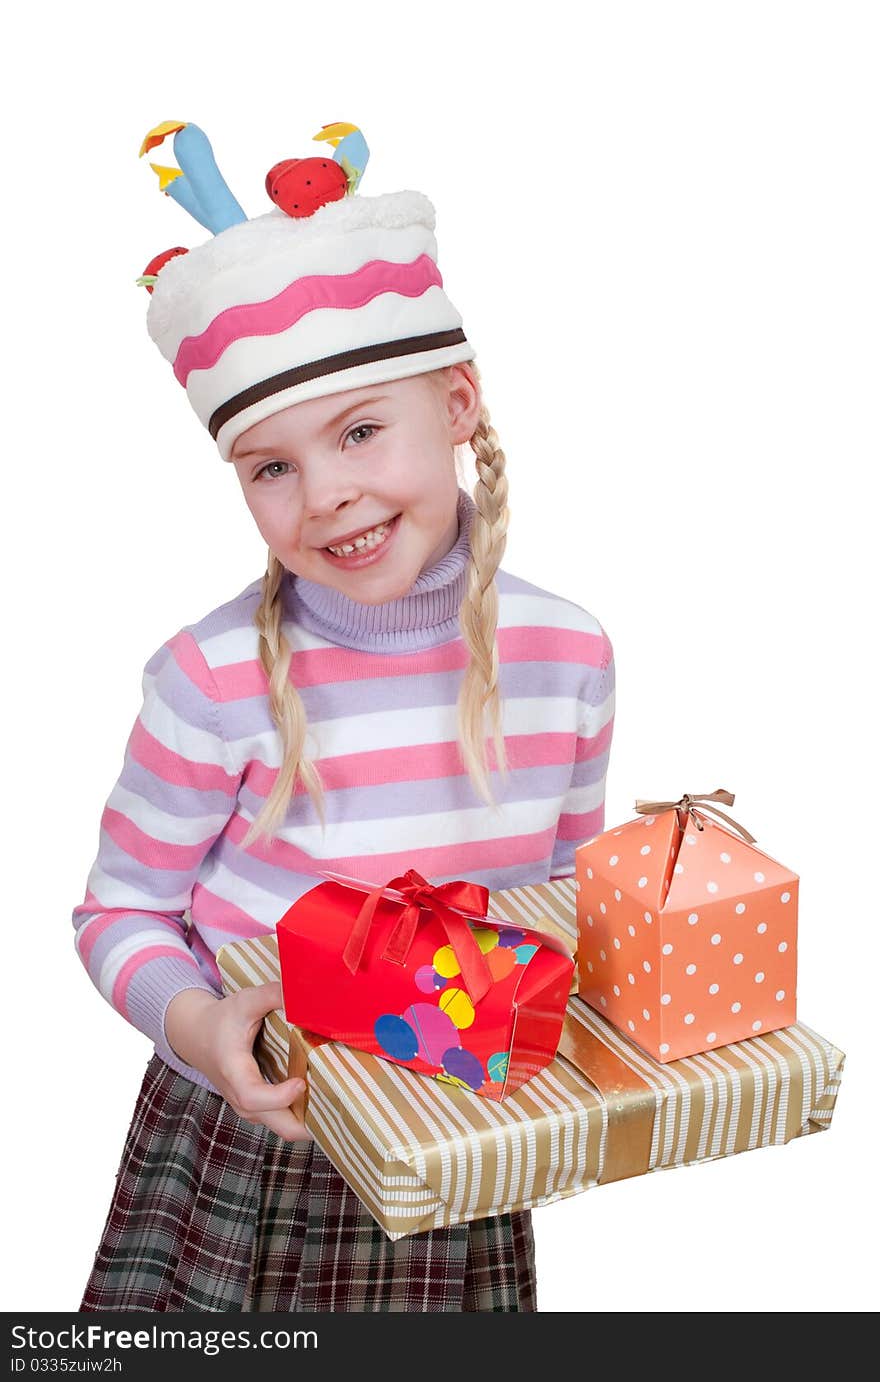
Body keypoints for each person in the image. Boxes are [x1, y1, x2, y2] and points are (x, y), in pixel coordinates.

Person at [72, 119, 616, 1312]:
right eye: (270, 466)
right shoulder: (211, 676)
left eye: (362, 430)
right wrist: (204, 1026)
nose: (326, 495)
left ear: (457, 402)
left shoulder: (566, 656)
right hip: (247, 1140)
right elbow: (120, 909)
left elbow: (565, 901)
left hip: (454, 1146)